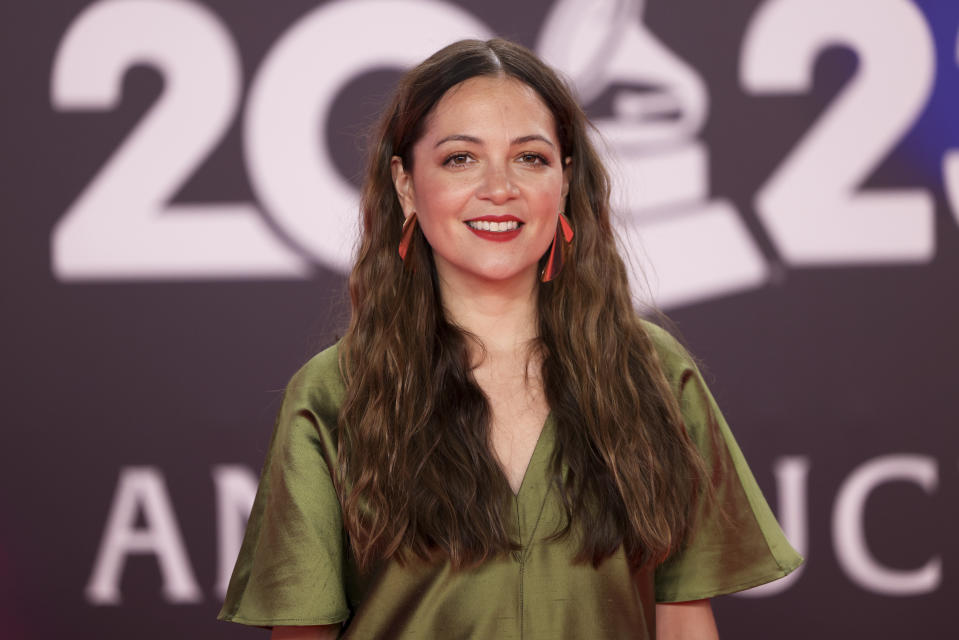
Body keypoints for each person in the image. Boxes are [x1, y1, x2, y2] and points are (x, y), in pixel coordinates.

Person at [217, 38, 802, 639]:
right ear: (406, 185)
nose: (500, 188)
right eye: (460, 159)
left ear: (566, 180)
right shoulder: (334, 393)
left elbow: (682, 622)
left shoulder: (651, 371)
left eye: (530, 158)